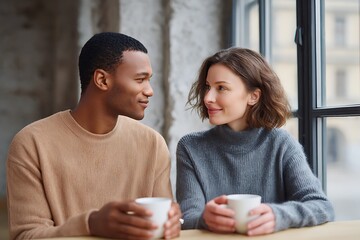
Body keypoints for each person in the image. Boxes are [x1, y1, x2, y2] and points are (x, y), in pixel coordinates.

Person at [7, 32, 181, 240]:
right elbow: (26, 235)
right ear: (101, 80)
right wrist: (91, 224)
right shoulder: (32, 143)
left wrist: (172, 223)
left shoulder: (153, 144)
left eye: (149, 80)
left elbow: (165, 222)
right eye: (140, 79)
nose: (150, 91)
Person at [176, 47, 334, 236]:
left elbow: (322, 206)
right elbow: (187, 217)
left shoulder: (282, 144)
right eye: (207, 87)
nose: (207, 98)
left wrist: (278, 215)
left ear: (253, 96)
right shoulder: (190, 147)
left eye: (221, 88)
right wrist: (204, 219)